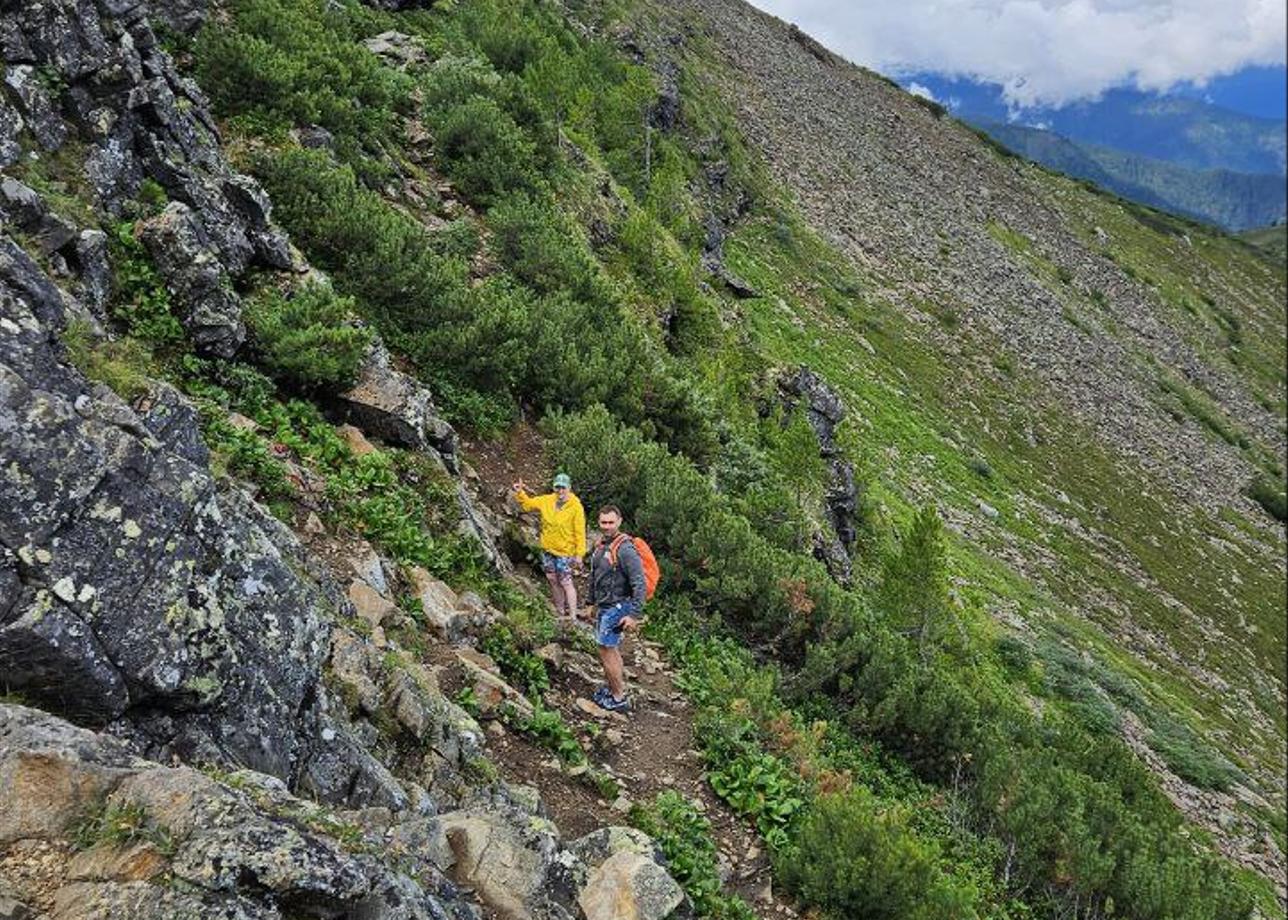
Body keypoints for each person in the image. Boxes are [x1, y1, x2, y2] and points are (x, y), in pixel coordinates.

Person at [585, 505, 644, 712]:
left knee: (606, 650)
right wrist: (590, 602)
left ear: (619, 521)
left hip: (616, 607)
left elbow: (639, 582)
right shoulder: (602, 545)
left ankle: (618, 697)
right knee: (610, 649)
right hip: (605, 606)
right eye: (603, 522)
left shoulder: (625, 549)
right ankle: (617, 690)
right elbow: (594, 575)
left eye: (611, 522)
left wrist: (634, 614)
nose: (607, 526)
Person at [513, 473, 586, 621]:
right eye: (557, 487)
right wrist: (520, 492)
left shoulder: (576, 507)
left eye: (563, 488)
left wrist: (579, 554)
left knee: (566, 582)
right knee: (552, 579)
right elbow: (528, 504)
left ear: (569, 488)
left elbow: (580, 532)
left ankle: (572, 616)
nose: (560, 491)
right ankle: (560, 612)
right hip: (548, 550)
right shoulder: (547, 500)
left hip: (566, 552)